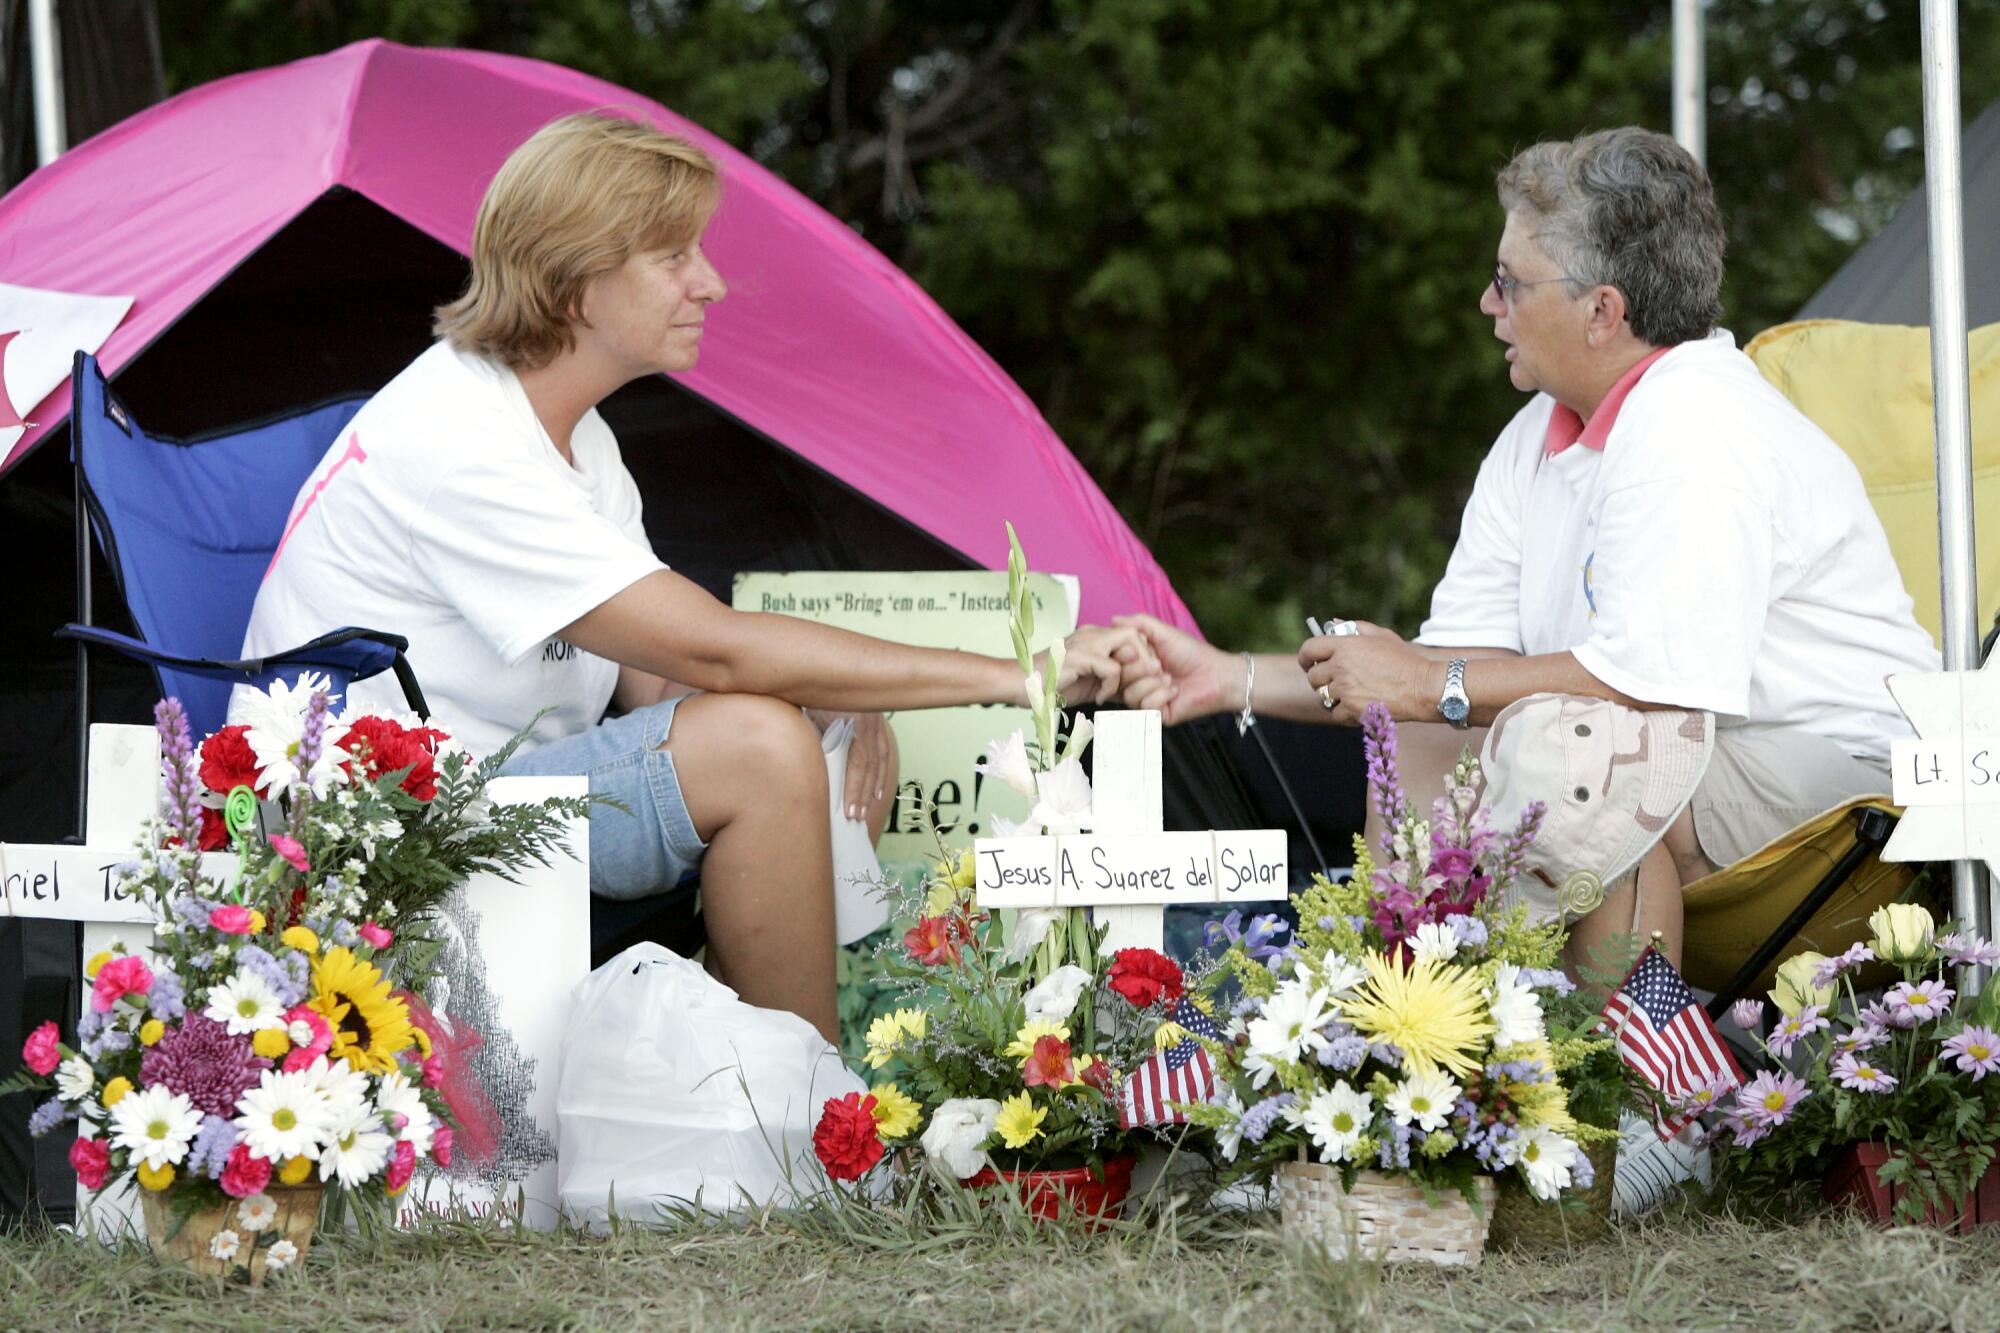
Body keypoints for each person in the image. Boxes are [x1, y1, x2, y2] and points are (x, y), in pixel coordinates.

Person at [240, 113, 1152, 1044]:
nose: (709, 284)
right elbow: (711, 648)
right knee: (756, 741)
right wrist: (1024, 669)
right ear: (575, 282)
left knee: (783, 723)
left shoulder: (576, 436)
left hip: (494, 801)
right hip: (390, 841)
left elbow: (662, 681)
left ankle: (732, 1099)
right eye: (672, 256)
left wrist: (827, 700)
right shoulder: (460, 443)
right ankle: (810, 1125)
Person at [1117, 126, 1938, 975]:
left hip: (1847, 789)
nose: (1488, 304)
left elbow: (1643, 687)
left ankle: (1620, 1092)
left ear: (1602, 311)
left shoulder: (1696, 432)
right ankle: (1404, 1029)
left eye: (1509, 282)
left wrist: (1428, 683)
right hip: (1676, 752)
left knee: (1573, 754)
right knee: (1434, 736)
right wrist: (1228, 677)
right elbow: (1435, 671)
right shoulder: (1535, 436)